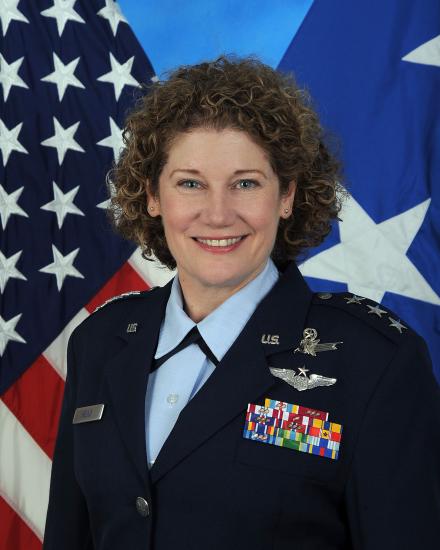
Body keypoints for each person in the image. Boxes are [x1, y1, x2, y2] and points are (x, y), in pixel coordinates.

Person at [43, 55, 440, 550]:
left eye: (246, 183)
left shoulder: (375, 361)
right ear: (152, 196)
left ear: (288, 194)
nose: (218, 214)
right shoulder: (100, 342)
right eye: (190, 183)